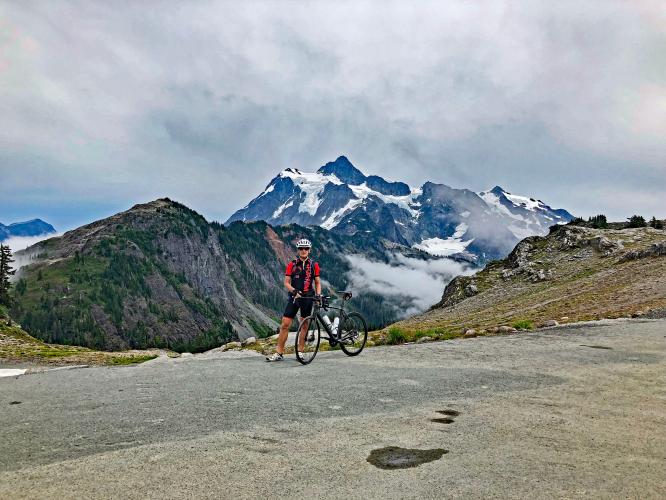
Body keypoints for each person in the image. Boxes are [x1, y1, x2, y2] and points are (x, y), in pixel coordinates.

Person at [266, 238, 321, 361]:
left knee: (304, 325)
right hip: (294, 297)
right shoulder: (292, 264)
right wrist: (293, 290)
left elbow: (317, 283)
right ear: (298, 250)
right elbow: (286, 282)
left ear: (309, 250)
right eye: (301, 248)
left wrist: (318, 295)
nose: (303, 250)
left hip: (307, 298)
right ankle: (279, 353)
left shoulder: (314, 265)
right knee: (285, 324)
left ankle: (300, 351)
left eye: (306, 248)